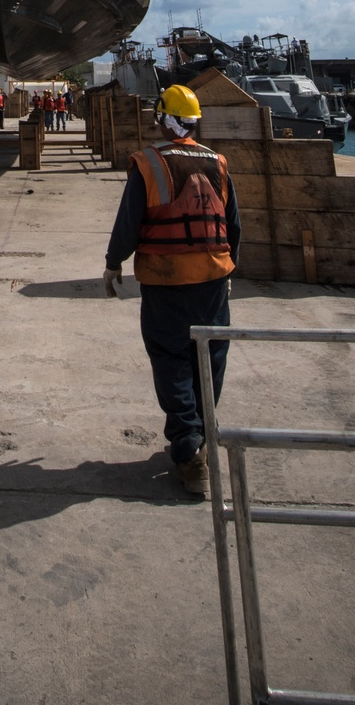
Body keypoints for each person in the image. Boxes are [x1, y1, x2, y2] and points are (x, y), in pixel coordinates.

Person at [102, 84, 240, 498]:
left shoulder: (150, 163)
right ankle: (204, 434)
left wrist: (113, 263)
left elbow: (129, 220)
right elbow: (232, 221)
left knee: (171, 358)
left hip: (166, 278)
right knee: (210, 355)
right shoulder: (218, 162)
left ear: (163, 118)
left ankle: (188, 451)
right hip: (214, 276)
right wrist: (231, 266)